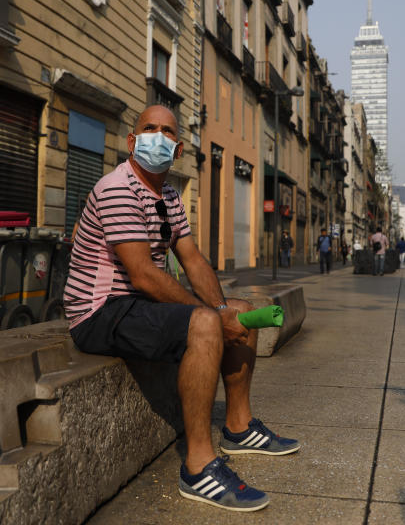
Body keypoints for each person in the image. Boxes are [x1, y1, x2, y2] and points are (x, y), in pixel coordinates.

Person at [64, 106, 299, 513]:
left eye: (167, 130)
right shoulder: (116, 187)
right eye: (149, 128)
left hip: (135, 305)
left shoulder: (168, 195)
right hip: (99, 310)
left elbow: (191, 259)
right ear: (132, 141)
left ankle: (239, 427)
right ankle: (198, 466)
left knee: (239, 309)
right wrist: (214, 319)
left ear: (177, 148)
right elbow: (143, 275)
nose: (158, 135)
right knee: (207, 323)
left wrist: (227, 310)